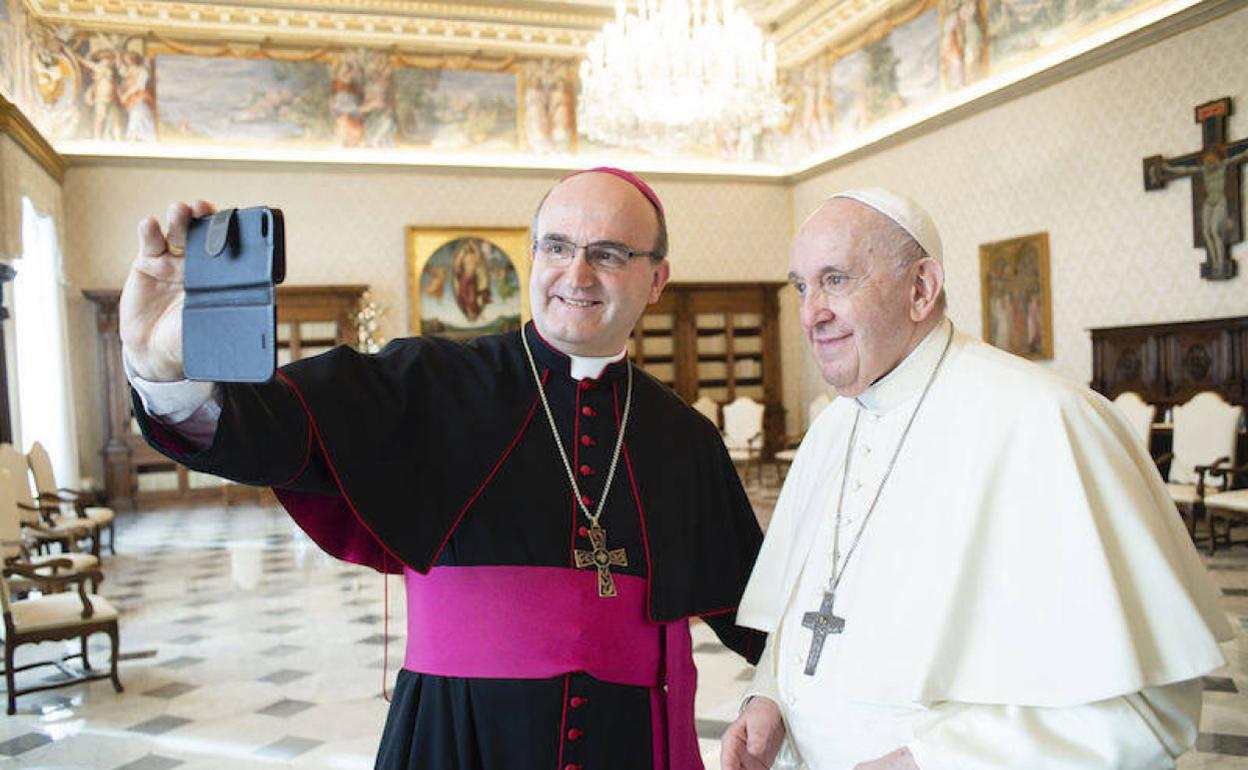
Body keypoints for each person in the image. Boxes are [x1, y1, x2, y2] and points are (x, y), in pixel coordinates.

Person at [121, 168, 766, 770]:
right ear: (533, 258)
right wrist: (162, 371)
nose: (577, 272)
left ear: (657, 279)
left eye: (609, 253)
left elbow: (761, 612)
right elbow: (273, 430)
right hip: (457, 735)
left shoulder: (685, 438)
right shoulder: (430, 381)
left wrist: (776, 698)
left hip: (633, 742)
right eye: (557, 246)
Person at [720, 188, 1231, 770]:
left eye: (836, 279)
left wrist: (928, 762)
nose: (812, 313)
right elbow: (810, 617)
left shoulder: (1047, 421)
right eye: (802, 286)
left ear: (921, 288)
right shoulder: (832, 429)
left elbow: (1146, 706)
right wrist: (770, 698)